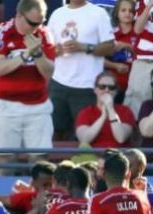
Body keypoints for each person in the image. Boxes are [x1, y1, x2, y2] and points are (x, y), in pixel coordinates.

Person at [0, 0, 55, 176]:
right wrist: (26, 54)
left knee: (40, 161)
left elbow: (49, 73)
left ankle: (43, 201)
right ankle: (6, 202)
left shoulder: (45, 34)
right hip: (6, 105)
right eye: (32, 23)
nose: (36, 27)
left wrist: (38, 53)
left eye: (40, 22)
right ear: (19, 16)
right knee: (6, 160)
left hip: (38, 105)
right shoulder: (1, 32)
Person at [47, 0, 115, 141]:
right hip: (58, 82)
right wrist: (56, 50)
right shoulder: (57, 13)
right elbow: (47, 47)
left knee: (85, 138)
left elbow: (110, 47)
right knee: (54, 133)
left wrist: (85, 47)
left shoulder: (99, 13)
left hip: (87, 85)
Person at [75, 71, 135, 148]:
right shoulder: (85, 112)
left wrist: (110, 109)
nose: (107, 90)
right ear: (95, 90)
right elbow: (84, 139)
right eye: (102, 87)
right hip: (93, 157)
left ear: (116, 91)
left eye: (111, 88)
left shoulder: (125, 111)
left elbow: (121, 138)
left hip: (118, 156)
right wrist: (103, 116)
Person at [105, 0, 138, 103]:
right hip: (113, 86)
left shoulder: (140, 33)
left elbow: (147, 56)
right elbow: (99, 59)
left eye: (131, 11)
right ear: (117, 13)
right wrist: (115, 66)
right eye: (123, 10)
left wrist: (128, 46)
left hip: (135, 86)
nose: (127, 13)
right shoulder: (110, 34)